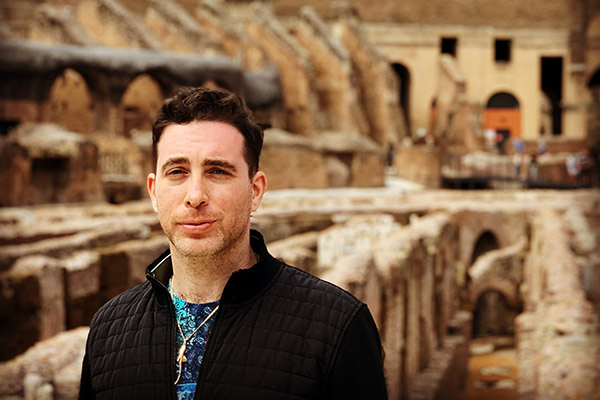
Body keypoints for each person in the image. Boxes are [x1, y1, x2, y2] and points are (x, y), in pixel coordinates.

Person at [78, 87, 388, 400]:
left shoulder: (337, 326)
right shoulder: (108, 327)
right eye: (177, 172)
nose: (195, 195)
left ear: (255, 191)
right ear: (153, 192)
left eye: (217, 171)